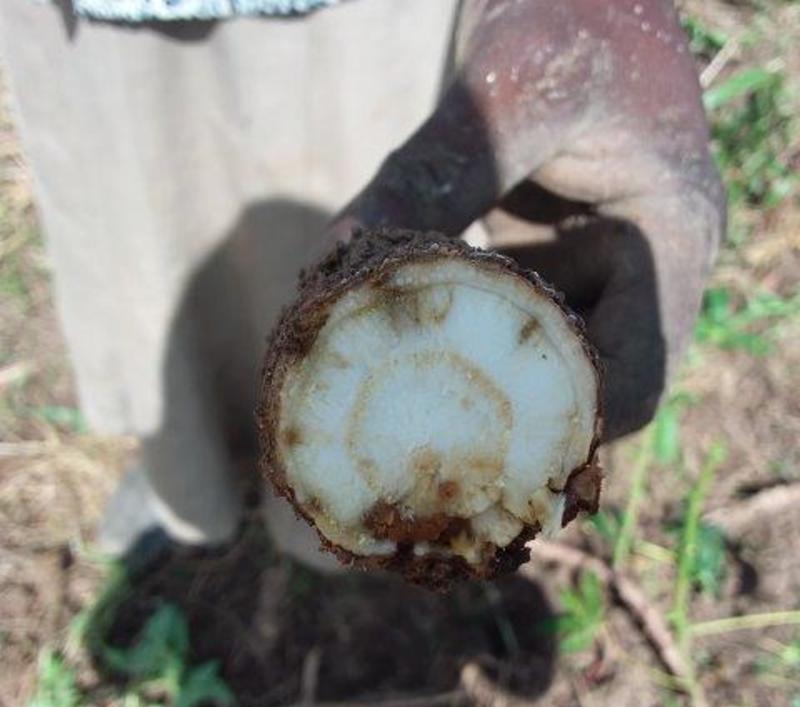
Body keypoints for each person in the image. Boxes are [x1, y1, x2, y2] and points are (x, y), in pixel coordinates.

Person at [0, 0, 724, 568]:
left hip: (362, 22)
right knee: (149, 258)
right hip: (98, 30)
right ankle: (187, 481)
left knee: (363, 260)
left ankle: (324, 523)